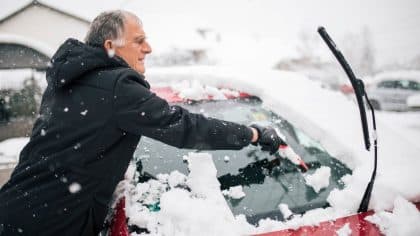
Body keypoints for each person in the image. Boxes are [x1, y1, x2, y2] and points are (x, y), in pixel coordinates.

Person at [0, 10, 285, 235]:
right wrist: (252, 134)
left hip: (16, 209)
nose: (148, 48)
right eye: (139, 40)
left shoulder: (70, 80)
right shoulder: (117, 88)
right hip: (51, 225)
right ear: (110, 46)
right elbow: (185, 127)